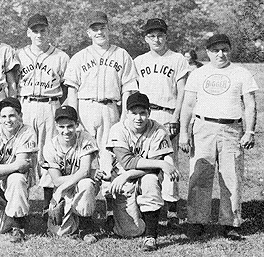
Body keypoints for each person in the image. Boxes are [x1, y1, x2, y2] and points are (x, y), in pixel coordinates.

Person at [179, 34, 258, 241]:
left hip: (231, 129)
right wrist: (184, 133)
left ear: (230, 50)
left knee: (230, 176)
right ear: (208, 52)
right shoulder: (198, 73)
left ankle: (230, 223)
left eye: (224, 49)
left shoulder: (241, 73)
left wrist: (249, 131)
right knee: (199, 176)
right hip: (203, 126)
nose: (220, 54)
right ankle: (196, 221)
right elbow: (187, 105)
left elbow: (250, 104)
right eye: (215, 50)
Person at [64, 11, 138, 176]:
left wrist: (124, 115)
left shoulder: (122, 55)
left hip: (110, 109)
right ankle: (80, 197)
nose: (99, 32)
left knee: (109, 155)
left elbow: (128, 88)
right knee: (82, 154)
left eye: (102, 28)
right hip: (85, 108)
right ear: (88, 33)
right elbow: (72, 90)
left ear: (108, 29)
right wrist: (73, 117)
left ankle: (109, 196)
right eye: (94, 29)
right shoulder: (79, 57)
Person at [103, 92, 179, 251]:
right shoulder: (118, 129)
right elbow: (128, 162)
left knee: (150, 182)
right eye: (134, 113)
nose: (138, 117)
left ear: (149, 113)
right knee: (130, 231)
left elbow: (155, 167)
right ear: (127, 114)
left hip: (139, 175)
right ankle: (136, 214)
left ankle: (151, 236)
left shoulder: (158, 130)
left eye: (143, 113)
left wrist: (131, 174)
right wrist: (160, 164)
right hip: (122, 178)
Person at [133, 18, 190, 228]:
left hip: (167, 113)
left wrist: (176, 117)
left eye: (160, 35)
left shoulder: (177, 60)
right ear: (146, 38)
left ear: (166, 36)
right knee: (145, 160)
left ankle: (172, 210)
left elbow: (183, 92)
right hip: (145, 115)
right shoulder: (139, 61)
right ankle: (146, 207)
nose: (156, 39)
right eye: (152, 35)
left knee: (169, 162)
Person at [16, 13, 70, 215]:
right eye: (35, 31)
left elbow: (67, 87)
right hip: (27, 105)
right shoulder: (19, 55)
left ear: (49, 31)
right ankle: (23, 204)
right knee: (26, 152)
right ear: (28, 33)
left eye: (43, 30)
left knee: (49, 152)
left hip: (50, 105)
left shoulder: (61, 57)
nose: (39, 34)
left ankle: (48, 204)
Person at [0, 97, 38, 242]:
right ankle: (16, 213)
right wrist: (14, 166)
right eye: (4, 116)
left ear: (20, 116)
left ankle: (19, 227)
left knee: (16, 179)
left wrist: (7, 169)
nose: (8, 120)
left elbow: (22, 166)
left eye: (12, 115)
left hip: (17, 178)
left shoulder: (28, 132)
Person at [44, 106, 99, 243]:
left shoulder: (86, 138)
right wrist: (87, 174)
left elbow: (85, 170)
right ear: (56, 126)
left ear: (77, 125)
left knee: (86, 184)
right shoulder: (50, 146)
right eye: (62, 127)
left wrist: (86, 174)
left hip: (79, 186)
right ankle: (72, 217)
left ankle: (85, 227)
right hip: (63, 188)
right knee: (59, 233)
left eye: (70, 126)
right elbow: (56, 181)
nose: (66, 131)